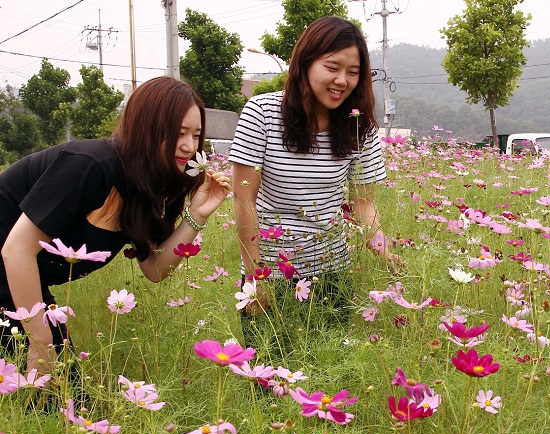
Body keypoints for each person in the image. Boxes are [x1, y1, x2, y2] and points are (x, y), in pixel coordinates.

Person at [0, 77, 231, 373]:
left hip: (18, 282)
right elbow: (16, 250)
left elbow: (155, 269)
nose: (189, 146)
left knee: (61, 387)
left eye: (196, 135)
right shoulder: (90, 164)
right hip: (10, 267)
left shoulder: (147, 186)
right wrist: (40, 342)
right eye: (178, 133)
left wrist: (196, 215)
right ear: (146, 129)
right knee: (45, 379)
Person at [231, 16, 397, 346]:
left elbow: (363, 203)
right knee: (267, 370)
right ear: (305, 63)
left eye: (353, 72)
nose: (342, 80)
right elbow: (244, 200)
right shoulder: (262, 113)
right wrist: (255, 276)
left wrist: (385, 251)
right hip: (269, 271)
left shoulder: (359, 127)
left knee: (330, 371)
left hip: (331, 273)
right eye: (332, 67)